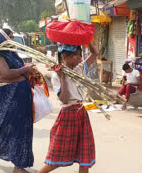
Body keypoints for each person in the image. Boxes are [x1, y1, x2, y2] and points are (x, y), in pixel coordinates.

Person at [38, 43, 98, 173]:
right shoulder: (56, 76)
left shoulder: (80, 68)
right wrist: (63, 77)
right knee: (58, 156)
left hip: (81, 111)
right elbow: (64, 99)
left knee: (84, 157)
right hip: (68, 114)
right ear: (65, 56)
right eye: (76, 55)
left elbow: (95, 54)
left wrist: (87, 40)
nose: (79, 58)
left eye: (80, 55)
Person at [0, 29, 36, 173]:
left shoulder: (11, 53)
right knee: (7, 128)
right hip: (8, 99)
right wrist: (25, 70)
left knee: (22, 130)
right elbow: (6, 74)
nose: (13, 40)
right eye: (10, 38)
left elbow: (13, 73)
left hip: (21, 97)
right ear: (3, 39)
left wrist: (26, 73)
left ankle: (19, 165)